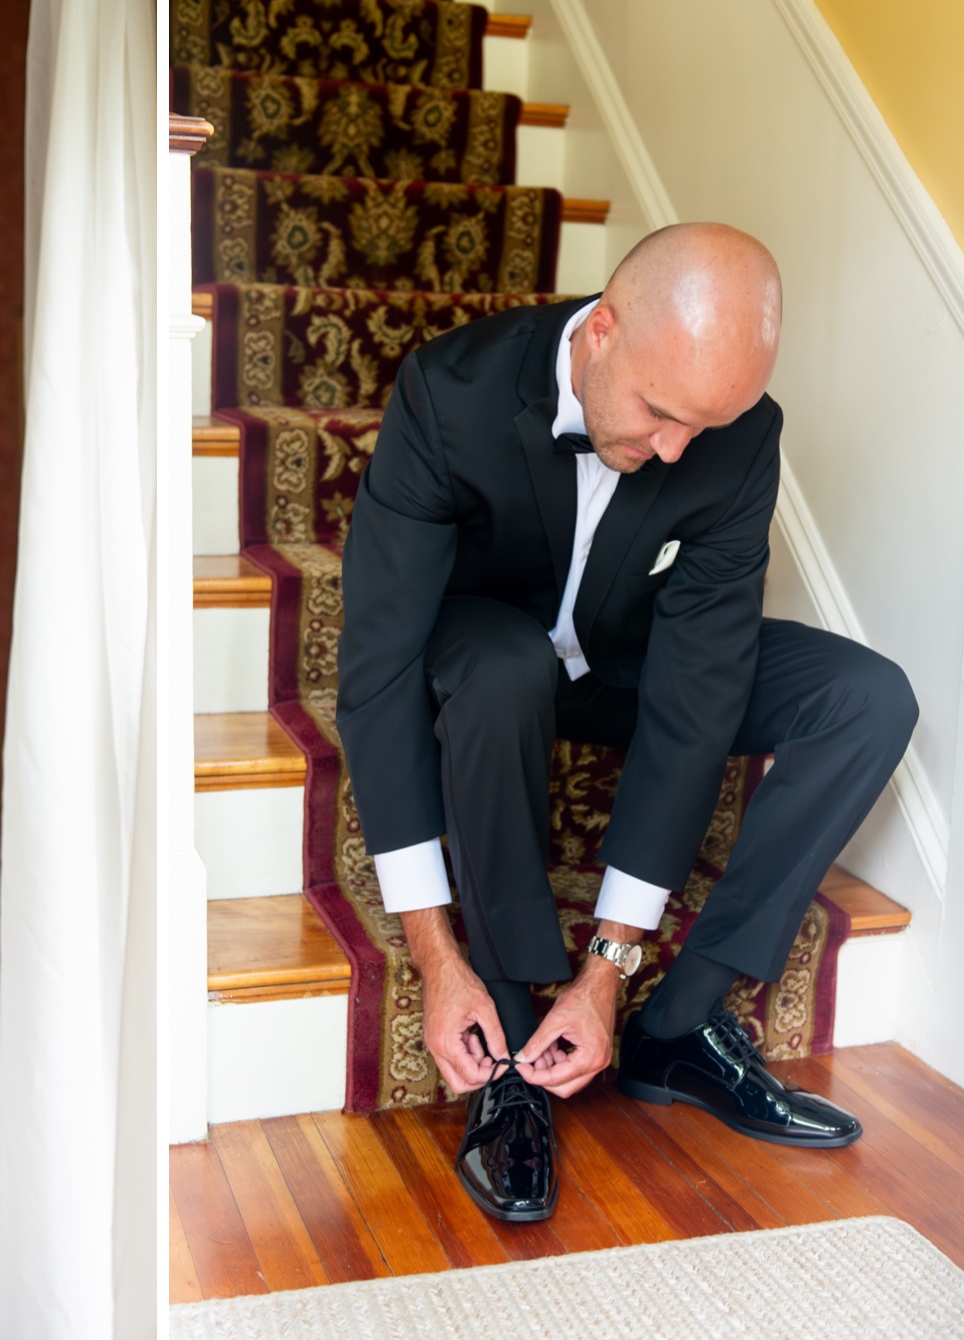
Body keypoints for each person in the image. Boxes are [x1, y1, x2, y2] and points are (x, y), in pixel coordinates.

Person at [335, 223, 916, 1223]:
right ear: (601, 331)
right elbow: (379, 667)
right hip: (485, 660)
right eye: (659, 414)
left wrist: (610, 965)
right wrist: (434, 952)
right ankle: (513, 1046)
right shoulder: (451, 392)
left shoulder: (736, 435)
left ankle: (679, 1026)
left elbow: (698, 690)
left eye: (703, 426)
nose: (677, 450)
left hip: (621, 658)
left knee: (868, 697)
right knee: (503, 664)